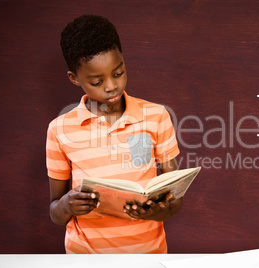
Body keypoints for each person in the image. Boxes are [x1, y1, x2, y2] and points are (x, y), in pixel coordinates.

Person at [46, 15, 182, 254]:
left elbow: (176, 198)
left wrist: (159, 211)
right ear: (74, 78)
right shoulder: (59, 129)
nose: (111, 86)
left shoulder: (156, 116)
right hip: (85, 257)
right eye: (97, 81)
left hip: (147, 255)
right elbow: (56, 213)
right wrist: (68, 204)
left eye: (118, 73)